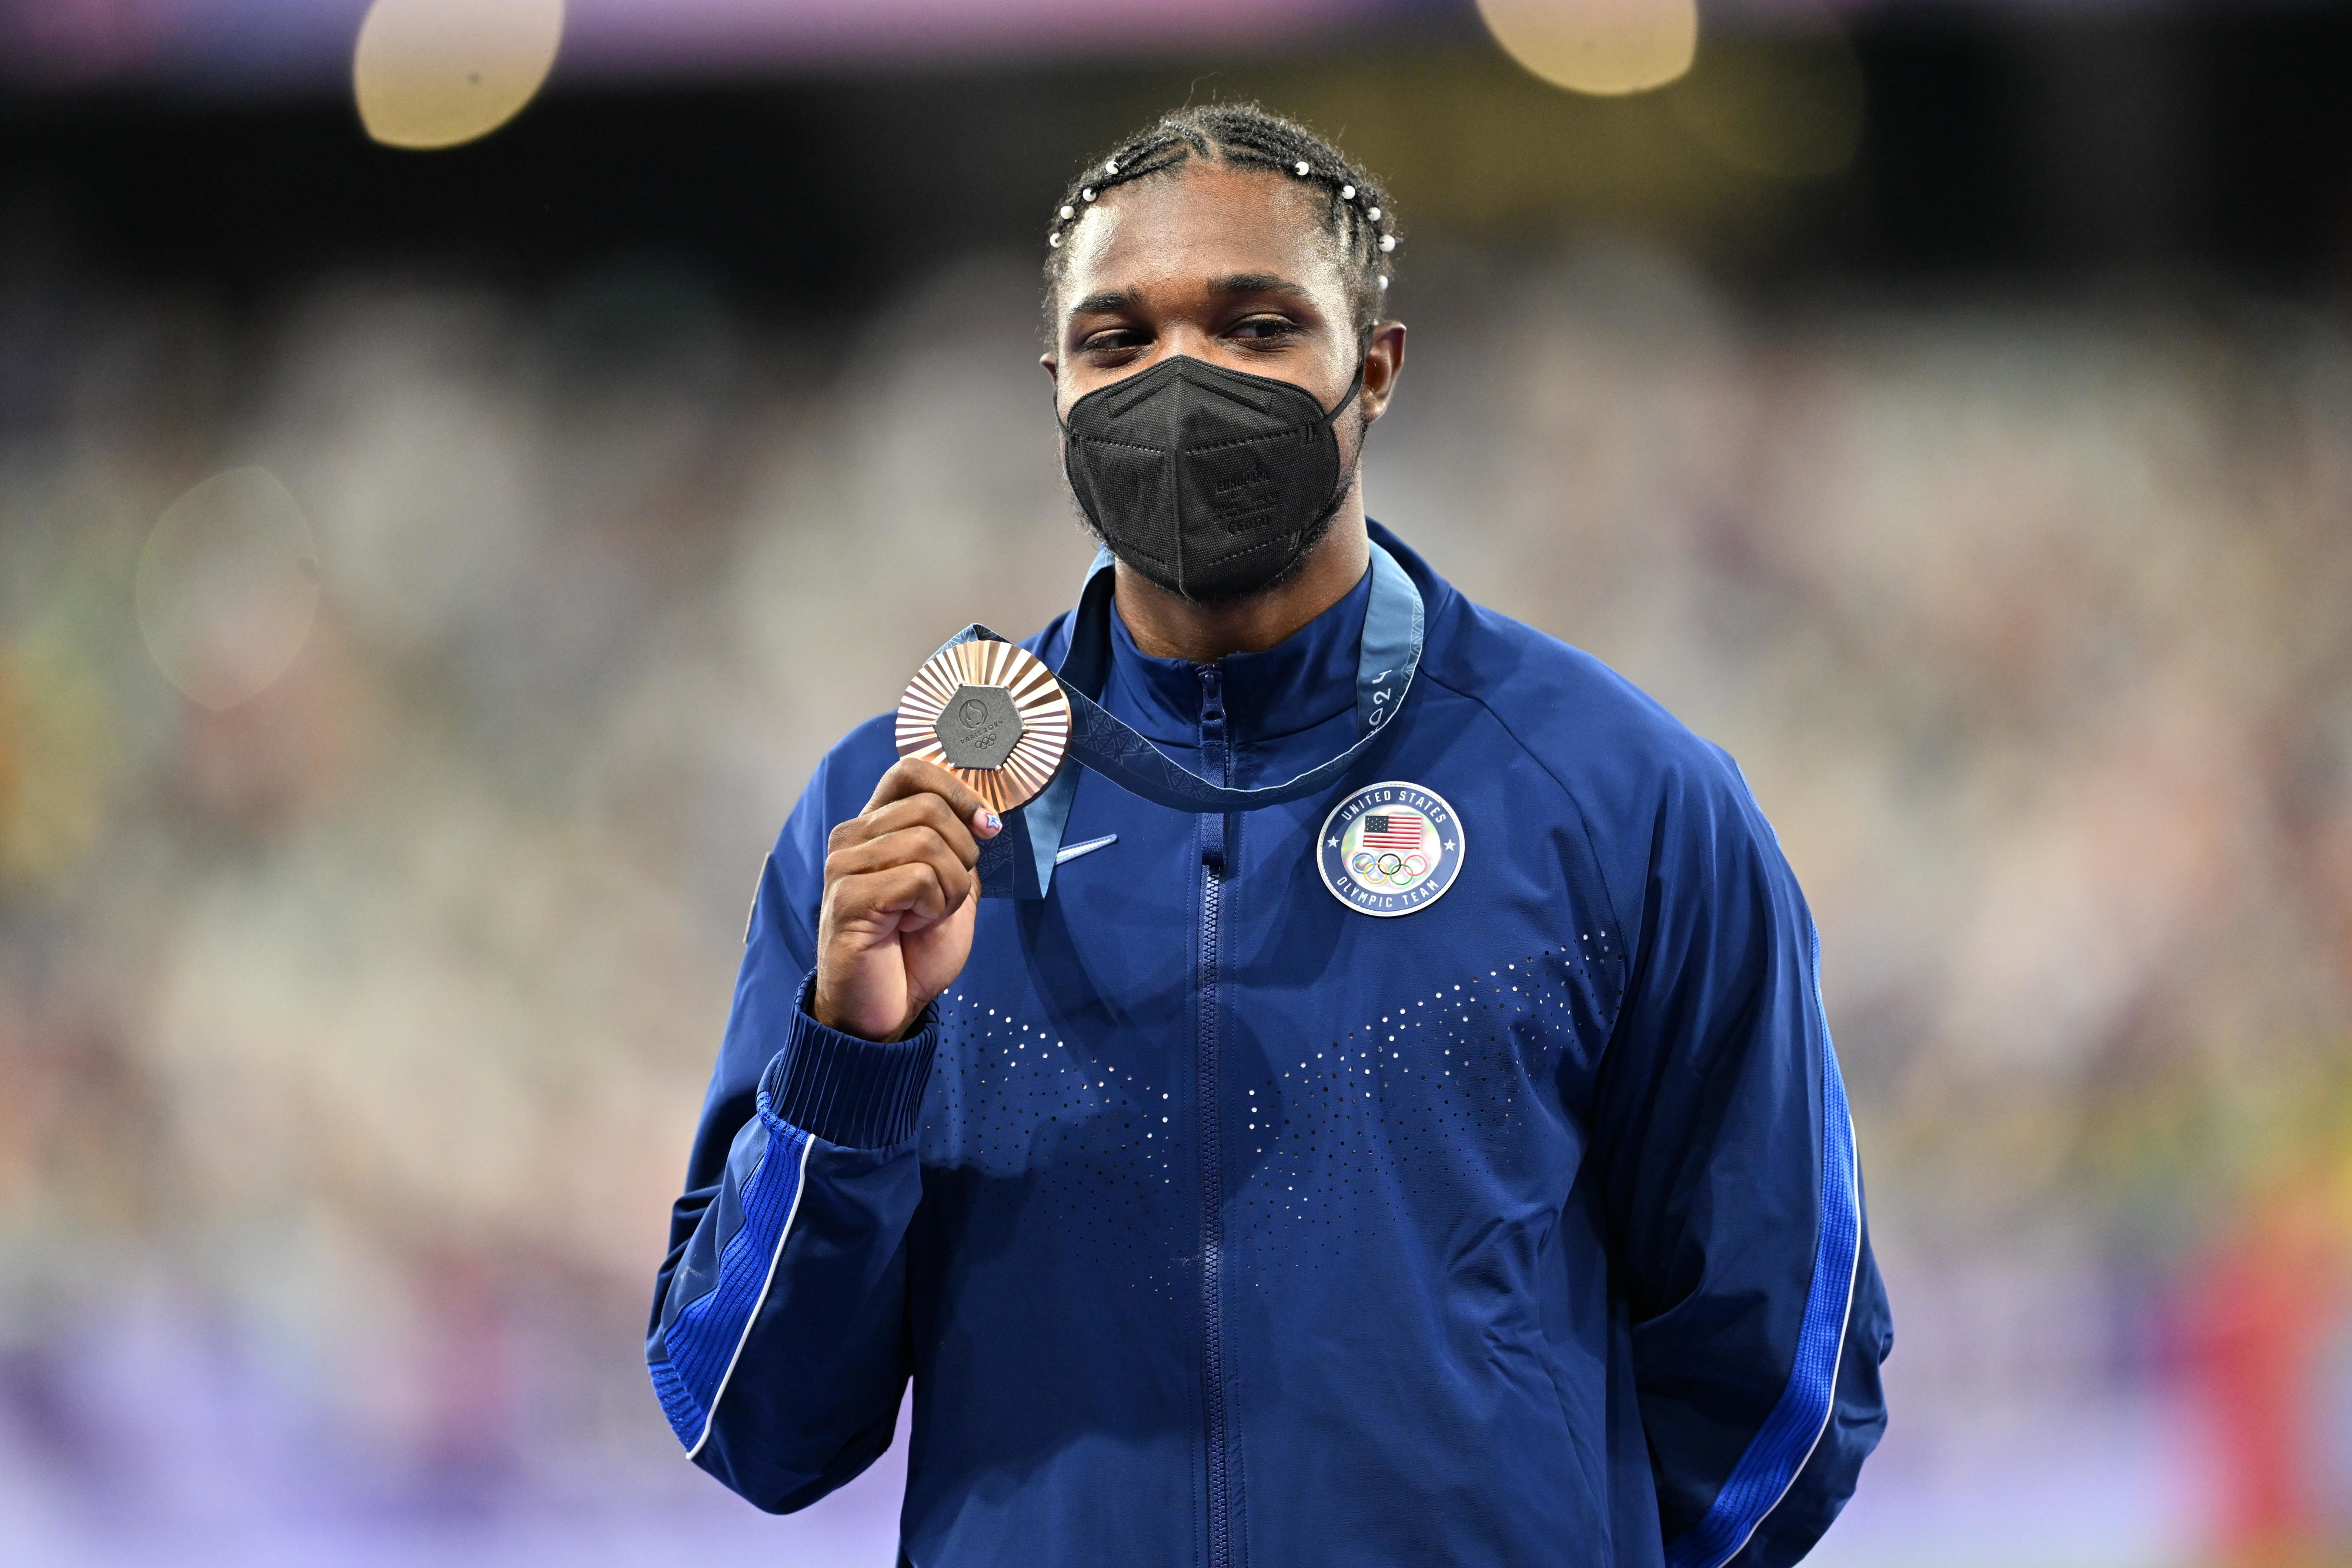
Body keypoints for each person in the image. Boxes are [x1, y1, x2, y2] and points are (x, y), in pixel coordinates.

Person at [647, 102, 1890, 1567]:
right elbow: (753, 1417)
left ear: (1372, 367)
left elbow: (1788, 1380)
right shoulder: (896, 821)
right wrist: (853, 1058)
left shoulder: (1621, 799)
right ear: (1053, 385)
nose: (1179, 383)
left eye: (1253, 327)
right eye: (1116, 341)